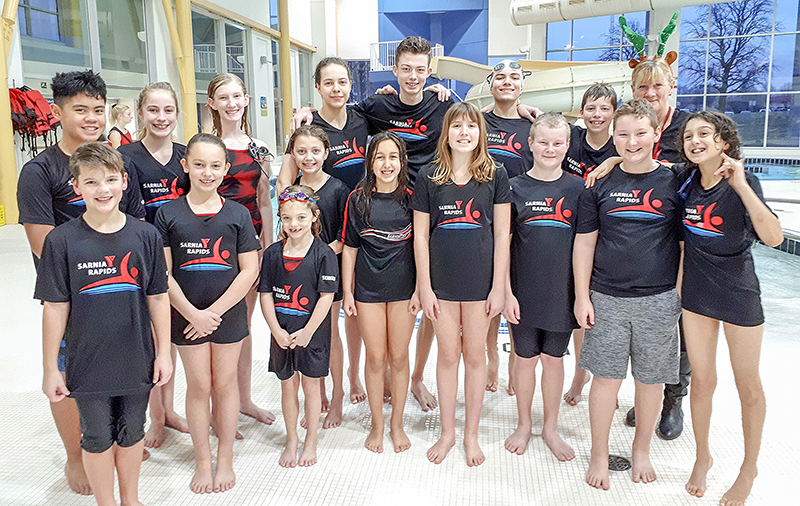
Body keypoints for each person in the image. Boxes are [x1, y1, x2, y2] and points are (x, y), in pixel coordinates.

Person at [293, 37, 453, 412]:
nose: (412, 76)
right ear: (393, 70)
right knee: (353, 305)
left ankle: (414, 378)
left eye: (420, 70)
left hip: (420, 207)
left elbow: (473, 123)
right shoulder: (376, 106)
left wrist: (517, 107)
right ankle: (352, 377)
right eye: (405, 68)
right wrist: (306, 110)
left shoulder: (442, 104)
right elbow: (336, 108)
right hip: (362, 209)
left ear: (429, 71)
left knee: (425, 295)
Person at [16, 70, 145, 496]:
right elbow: (42, 242)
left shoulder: (117, 163)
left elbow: (136, 225)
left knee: (121, 365)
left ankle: (119, 436)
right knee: (71, 374)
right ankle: (77, 454)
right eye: (80, 110)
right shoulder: (40, 171)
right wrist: (92, 271)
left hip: (122, 287)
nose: (92, 118)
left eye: (98, 109)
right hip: (74, 295)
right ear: (57, 113)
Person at [37, 142, 172, 506]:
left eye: (111, 180)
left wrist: (163, 353)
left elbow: (158, 298)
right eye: (92, 182)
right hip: (87, 360)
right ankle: (106, 502)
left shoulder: (145, 236)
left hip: (136, 355)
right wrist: (51, 368)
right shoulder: (61, 241)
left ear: (125, 182)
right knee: (96, 436)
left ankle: (130, 499)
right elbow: (54, 308)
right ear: (76, 186)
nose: (103, 189)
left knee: (132, 431)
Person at [574, 99, 682, 490]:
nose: (631, 141)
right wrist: (582, 296)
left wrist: (678, 296)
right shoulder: (598, 184)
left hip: (659, 298)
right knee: (605, 380)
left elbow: (684, 245)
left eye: (640, 133)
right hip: (607, 297)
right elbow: (585, 243)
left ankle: (641, 451)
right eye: (623, 134)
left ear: (656, 134)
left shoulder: (674, 182)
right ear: (613, 137)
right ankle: (599, 454)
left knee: (650, 383)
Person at [677, 111, 783, 506]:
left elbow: (774, 238)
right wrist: (612, 161)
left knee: (748, 384)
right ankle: (702, 456)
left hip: (738, 292)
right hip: (697, 294)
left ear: (723, 142)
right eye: (688, 135)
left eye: (704, 133)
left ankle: (748, 468)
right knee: (702, 381)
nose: (695, 140)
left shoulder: (744, 182)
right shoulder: (685, 182)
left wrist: (740, 185)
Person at [590, 58, 692, 438]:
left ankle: (673, 398)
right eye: (642, 87)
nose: (650, 93)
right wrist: (618, 159)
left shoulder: (686, 128)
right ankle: (647, 398)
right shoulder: (628, 136)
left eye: (657, 86)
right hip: (617, 284)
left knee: (674, 340)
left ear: (671, 86)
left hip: (669, 259)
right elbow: (636, 156)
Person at [155, 133, 260, 494]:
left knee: (225, 383)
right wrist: (192, 314)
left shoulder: (237, 214)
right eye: (199, 165)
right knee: (199, 384)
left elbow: (249, 269)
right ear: (185, 165)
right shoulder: (168, 214)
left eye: (215, 166)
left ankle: (225, 458)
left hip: (226, 313)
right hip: (185, 315)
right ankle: (203, 460)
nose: (207, 172)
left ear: (226, 168)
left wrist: (212, 312)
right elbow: (163, 273)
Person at [412, 102, 511, 466]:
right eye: (457, 126)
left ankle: (470, 435)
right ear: (447, 133)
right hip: (442, 283)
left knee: (474, 356)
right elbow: (420, 236)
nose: (464, 132)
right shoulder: (429, 176)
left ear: (480, 133)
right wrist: (424, 286)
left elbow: (502, 234)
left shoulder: (495, 174)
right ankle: (447, 433)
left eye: (471, 126)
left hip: (480, 283)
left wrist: (498, 287)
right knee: (448, 355)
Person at [277, 57, 370, 406]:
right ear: (317, 87)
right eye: (328, 82)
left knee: (350, 315)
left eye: (342, 82)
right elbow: (285, 186)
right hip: (312, 240)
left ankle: (351, 378)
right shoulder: (307, 127)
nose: (336, 88)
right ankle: (319, 388)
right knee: (316, 322)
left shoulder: (361, 117)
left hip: (348, 236)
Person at [503, 113, 582, 462]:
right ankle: (524, 424)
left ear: (567, 146)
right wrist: (505, 291)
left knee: (553, 360)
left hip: (561, 293)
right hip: (522, 291)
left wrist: (581, 296)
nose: (550, 149)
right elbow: (503, 245)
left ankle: (550, 427)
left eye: (558, 143)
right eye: (544, 142)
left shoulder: (578, 190)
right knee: (524, 361)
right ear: (530, 143)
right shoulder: (513, 188)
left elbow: (585, 246)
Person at [120, 81, 190, 447]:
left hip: (185, 257)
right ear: (140, 113)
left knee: (171, 339)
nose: (161, 118)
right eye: (153, 110)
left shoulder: (186, 156)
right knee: (151, 341)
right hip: (143, 259)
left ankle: (170, 410)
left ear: (177, 114)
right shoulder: (125, 156)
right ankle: (156, 417)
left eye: (168, 110)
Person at [341, 131, 419, 453]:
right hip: (368, 289)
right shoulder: (357, 199)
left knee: (398, 357)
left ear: (402, 161)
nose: (387, 164)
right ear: (370, 162)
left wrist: (420, 289)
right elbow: (350, 249)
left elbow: (422, 246)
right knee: (375, 358)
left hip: (404, 288)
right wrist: (347, 292)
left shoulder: (413, 197)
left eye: (393, 157)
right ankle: (377, 424)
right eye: (379, 157)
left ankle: (396, 424)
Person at [207, 72, 276, 428]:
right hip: (216, 247)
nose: (231, 104)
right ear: (212, 104)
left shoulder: (258, 148)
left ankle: (243, 399)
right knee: (216, 324)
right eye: (224, 97)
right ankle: (218, 406)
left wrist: (267, 247)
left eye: (237, 96)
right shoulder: (206, 147)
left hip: (250, 248)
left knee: (243, 325)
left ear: (247, 100)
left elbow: (264, 201)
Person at [259, 185, 338, 467]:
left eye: (301, 217)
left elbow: (326, 297)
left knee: (311, 386)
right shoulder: (272, 254)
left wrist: (307, 332)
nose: (294, 224)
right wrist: (275, 331)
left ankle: (311, 440)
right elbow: (265, 294)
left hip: (311, 334)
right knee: (288, 386)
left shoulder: (324, 254)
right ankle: (292, 439)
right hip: (281, 333)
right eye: (287, 218)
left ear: (314, 216)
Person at [289, 125, 350, 428]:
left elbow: (343, 237)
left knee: (329, 334)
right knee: (306, 332)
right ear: (293, 154)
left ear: (326, 153)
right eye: (301, 151)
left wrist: (315, 256)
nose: (308, 157)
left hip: (327, 272)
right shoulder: (291, 190)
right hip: (298, 275)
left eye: (315, 151)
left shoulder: (338, 189)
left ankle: (337, 396)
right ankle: (318, 392)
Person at [561, 82, 619, 406]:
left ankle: (594, 380)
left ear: (614, 113)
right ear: (581, 112)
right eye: (591, 108)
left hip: (601, 237)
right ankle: (580, 375)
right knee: (576, 308)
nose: (597, 115)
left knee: (597, 315)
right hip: (567, 232)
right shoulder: (571, 139)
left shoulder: (620, 147)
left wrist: (615, 160)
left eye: (604, 108)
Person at [482, 59, 534, 395]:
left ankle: (516, 363)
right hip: (485, 222)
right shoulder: (479, 121)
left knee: (517, 298)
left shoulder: (533, 125)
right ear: (491, 84)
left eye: (514, 77)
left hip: (523, 222)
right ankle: (492, 361)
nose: (507, 82)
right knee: (490, 298)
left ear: (522, 85)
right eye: (500, 77)